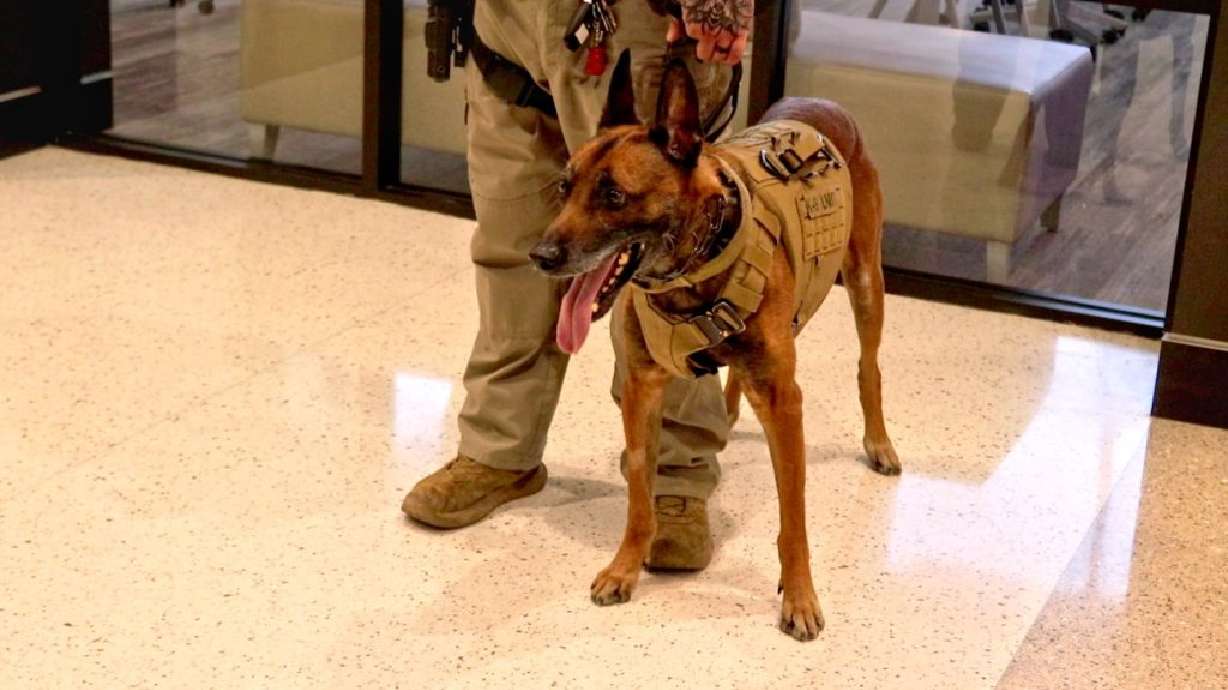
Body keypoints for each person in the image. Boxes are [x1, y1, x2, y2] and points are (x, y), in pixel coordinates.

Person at [402, 0, 754, 571]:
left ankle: (676, 477)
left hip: (638, 21)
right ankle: (500, 451)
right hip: (508, 23)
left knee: (666, 261)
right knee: (513, 245)